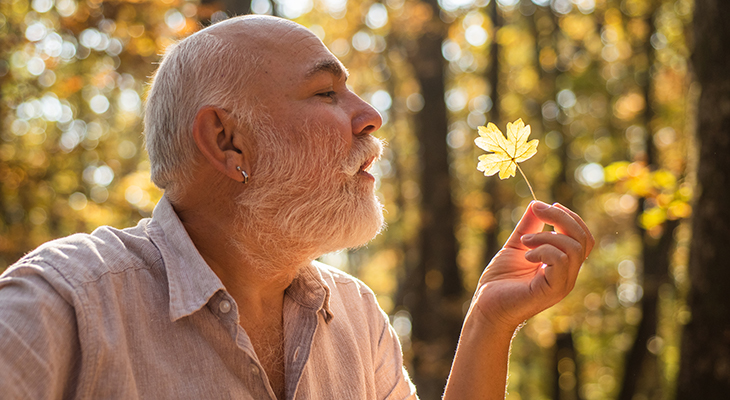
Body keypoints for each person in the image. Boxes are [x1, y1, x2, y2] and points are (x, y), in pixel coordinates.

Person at [0, 15, 593, 400]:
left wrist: (490, 323)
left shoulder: (356, 315)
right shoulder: (64, 305)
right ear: (228, 141)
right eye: (326, 93)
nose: (370, 115)